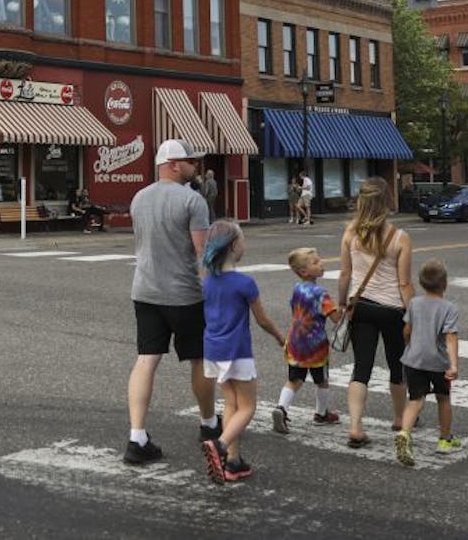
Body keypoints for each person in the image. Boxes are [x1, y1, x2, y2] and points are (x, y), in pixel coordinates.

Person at [124, 140, 216, 465]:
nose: (196, 166)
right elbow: (202, 254)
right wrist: (215, 292)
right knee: (200, 359)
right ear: (174, 164)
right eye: (191, 161)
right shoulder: (193, 200)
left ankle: (137, 436)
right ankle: (208, 424)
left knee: (146, 359)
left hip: (145, 291)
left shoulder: (138, 198)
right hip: (185, 295)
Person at [199, 221, 287, 484]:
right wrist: (280, 336)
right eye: (243, 240)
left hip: (213, 349)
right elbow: (262, 320)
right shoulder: (244, 283)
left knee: (231, 404)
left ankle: (233, 462)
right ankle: (221, 445)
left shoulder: (207, 281)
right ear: (235, 246)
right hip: (237, 350)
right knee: (248, 407)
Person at [338, 176, 413, 448]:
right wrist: (412, 314)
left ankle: (356, 427)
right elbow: (404, 282)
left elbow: (345, 273)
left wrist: (343, 303)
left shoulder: (350, 233)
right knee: (397, 365)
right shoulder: (400, 237)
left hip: (362, 306)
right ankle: (398, 417)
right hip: (393, 308)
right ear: (386, 201)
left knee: (362, 368)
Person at [395, 259, 461, 466]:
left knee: (415, 400)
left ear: (422, 283)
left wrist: (408, 345)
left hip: (413, 359)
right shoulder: (449, 308)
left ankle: (405, 433)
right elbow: (450, 337)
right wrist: (453, 365)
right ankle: (445, 439)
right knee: (443, 398)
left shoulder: (414, 303)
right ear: (445, 284)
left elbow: (407, 329)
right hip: (438, 362)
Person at [271, 247, 342, 435]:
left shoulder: (297, 289)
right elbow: (336, 318)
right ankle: (321, 414)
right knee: (322, 381)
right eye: (316, 263)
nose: (322, 264)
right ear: (304, 271)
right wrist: (343, 307)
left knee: (294, 380)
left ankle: (281, 408)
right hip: (316, 346)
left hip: (295, 343)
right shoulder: (321, 293)